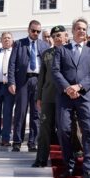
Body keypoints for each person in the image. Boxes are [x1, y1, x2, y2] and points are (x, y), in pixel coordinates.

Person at [52, 17, 90, 178]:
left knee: (88, 131)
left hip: (85, 96)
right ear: (72, 31)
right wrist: (68, 88)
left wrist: (79, 87)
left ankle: (88, 169)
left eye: (84, 29)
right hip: (65, 97)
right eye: (78, 28)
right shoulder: (61, 50)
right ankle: (69, 165)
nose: (81, 31)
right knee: (64, 130)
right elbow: (55, 71)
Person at [8, 20, 49, 152]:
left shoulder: (44, 45)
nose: (36, 33)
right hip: (23, 81)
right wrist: (11, 82)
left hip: (38, 81)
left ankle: (33, 142)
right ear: (28, 30)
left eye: (38, 31)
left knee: (36, 113)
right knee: (20, 112)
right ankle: (17, 142)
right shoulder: (19, 44)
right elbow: (12, 64)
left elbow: (48, 66)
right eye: (33, 30)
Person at [33, 25, 68, 167]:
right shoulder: (47, 53)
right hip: (48, 96)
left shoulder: (72, 51)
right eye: (54, 36)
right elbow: (41, 76)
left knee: (65, 128)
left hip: (66, 96)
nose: (57, 38)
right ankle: (41, 158)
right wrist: (39, 96)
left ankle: (68, 160)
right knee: (45, 128)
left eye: (60, 35)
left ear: (66, 36)